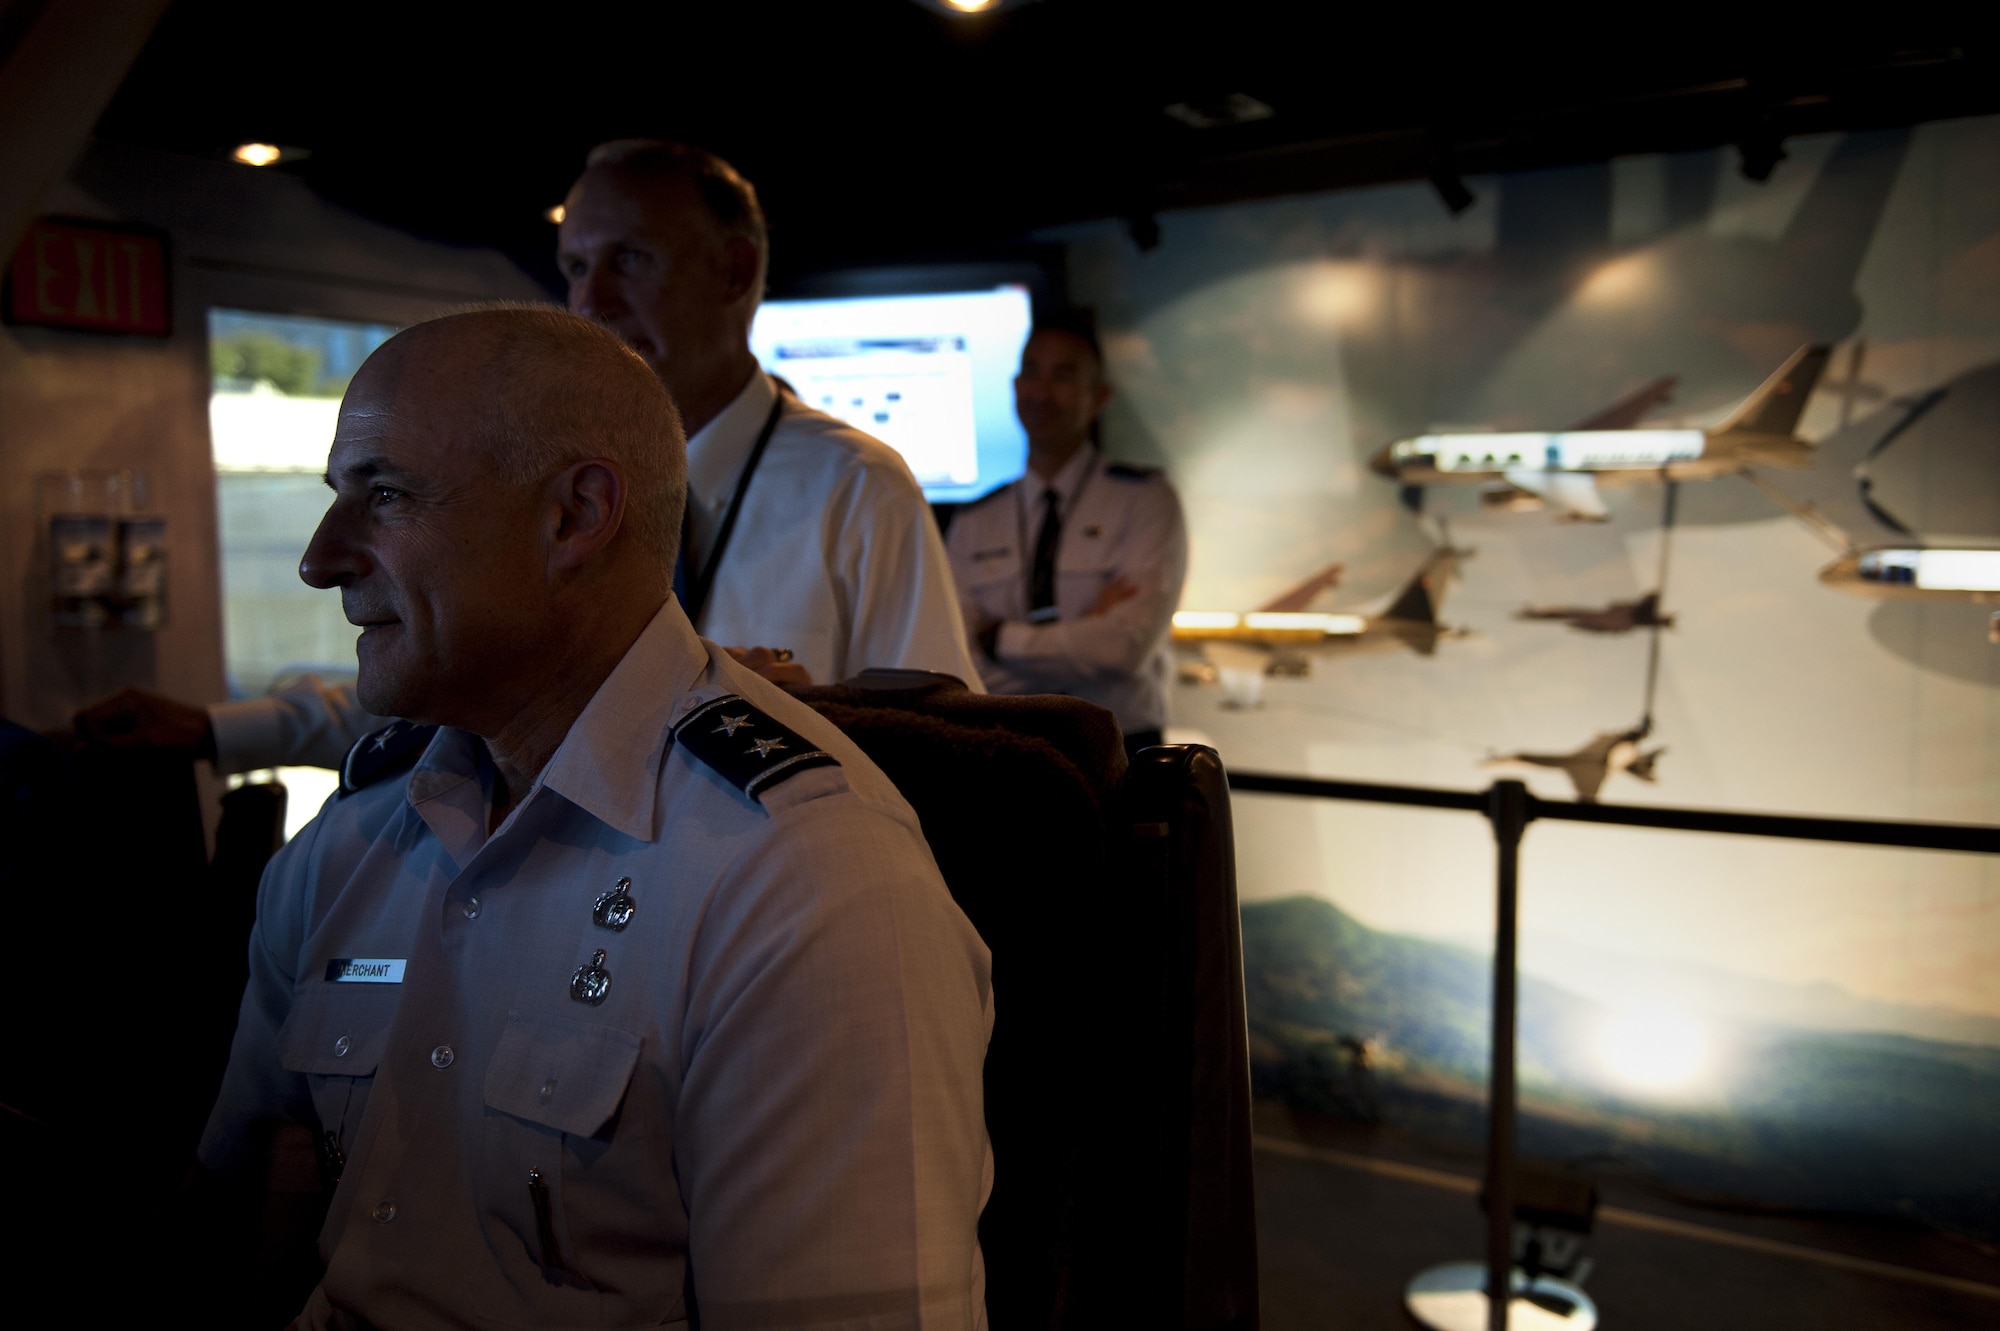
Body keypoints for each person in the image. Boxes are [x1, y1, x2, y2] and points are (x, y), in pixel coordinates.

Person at [195, 307, 993, 1328]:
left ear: (573, 516)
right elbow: (245, 1191)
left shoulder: (804, 884)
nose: (319, 557)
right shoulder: (353, 840)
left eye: (384, 494)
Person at [76, 138, 979, 775]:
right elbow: (460, 670)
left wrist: (784, 706)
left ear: (735, 273)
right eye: (577, 267)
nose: (593, 301)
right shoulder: (543, 475)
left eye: (629, 259)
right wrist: (215, 729)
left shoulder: (854, 486)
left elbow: (950, 744)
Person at [946, 314, 1186, 756]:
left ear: (1099, 398)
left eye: (1063, 375)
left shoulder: (1145, 499)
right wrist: (1082, 635)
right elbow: (960, 662)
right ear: (1015, 386)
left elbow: (1122, 650)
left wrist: (999, 638)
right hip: (1006, 744)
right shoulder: (977, 517)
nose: (1041, 391)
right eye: (1031, 372)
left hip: (1121, 748)